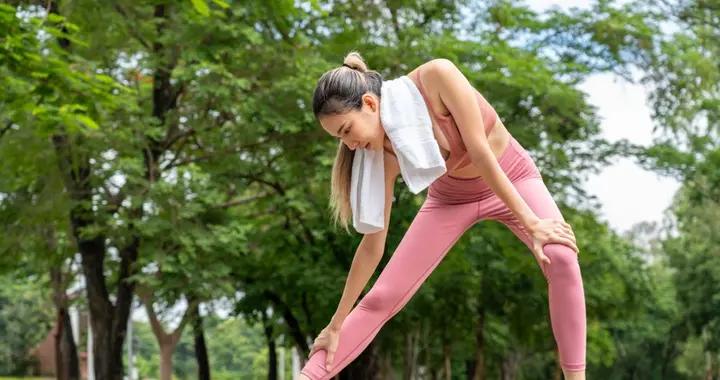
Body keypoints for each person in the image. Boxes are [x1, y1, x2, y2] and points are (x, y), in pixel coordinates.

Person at [299, 51, 586, 380]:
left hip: (511, 177)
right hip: (449, 200)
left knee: (561, 256)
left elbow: (478, 151)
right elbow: (371, 246)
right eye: (340, 138)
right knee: (382, 297)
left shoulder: (437, 76)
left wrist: (532, 222)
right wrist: (335, 323)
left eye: (347, 130)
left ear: (370, 103)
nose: (349, 145)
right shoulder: (381, 154)